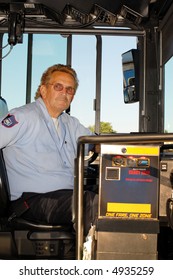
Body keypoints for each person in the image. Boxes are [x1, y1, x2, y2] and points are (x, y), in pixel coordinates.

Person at [0, 64, 98, 237]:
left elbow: (97, 143)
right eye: (58, 87)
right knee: (93, 204)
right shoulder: (23, 117)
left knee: (110, 195)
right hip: (31, 200)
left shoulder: (70, 123)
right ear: (43, 90)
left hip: (65, 196)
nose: (64, 93)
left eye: (70, 90)